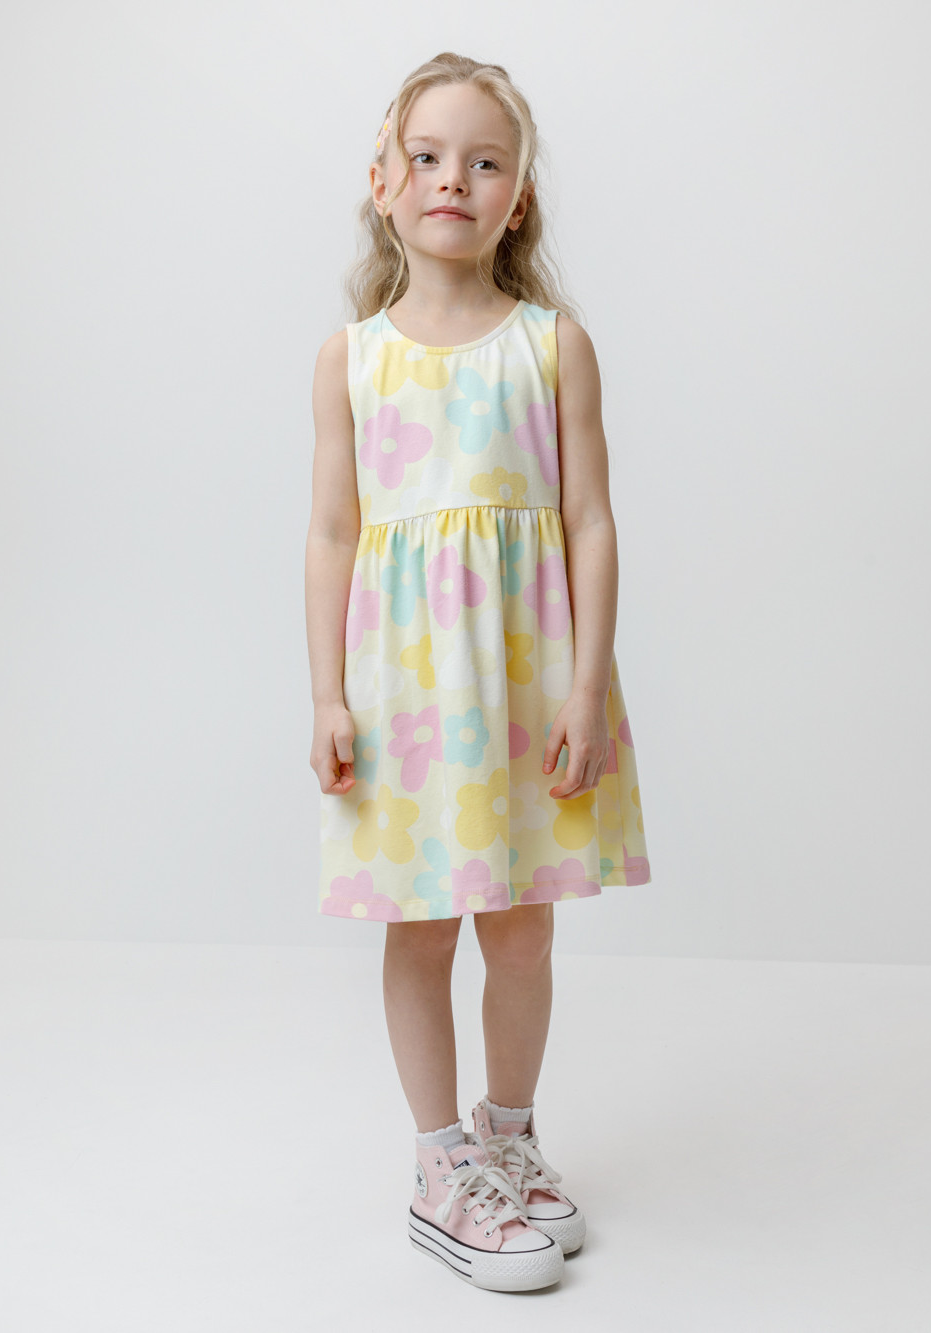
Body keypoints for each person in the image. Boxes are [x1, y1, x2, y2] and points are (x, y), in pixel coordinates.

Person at [304, 52, 652, 1292]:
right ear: (384, 184)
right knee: (419, 930)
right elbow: (333, 532)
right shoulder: (351, 360)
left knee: (520, 927)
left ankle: (509, 1134)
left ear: (520, 199)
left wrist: (584, 688)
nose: (454, 178)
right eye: (429, 156)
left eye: (485, 160)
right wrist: (327, 693)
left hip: (523, 691)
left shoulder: (552, 348)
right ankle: (440, 1164)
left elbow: (590, 521)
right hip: (406, 700)